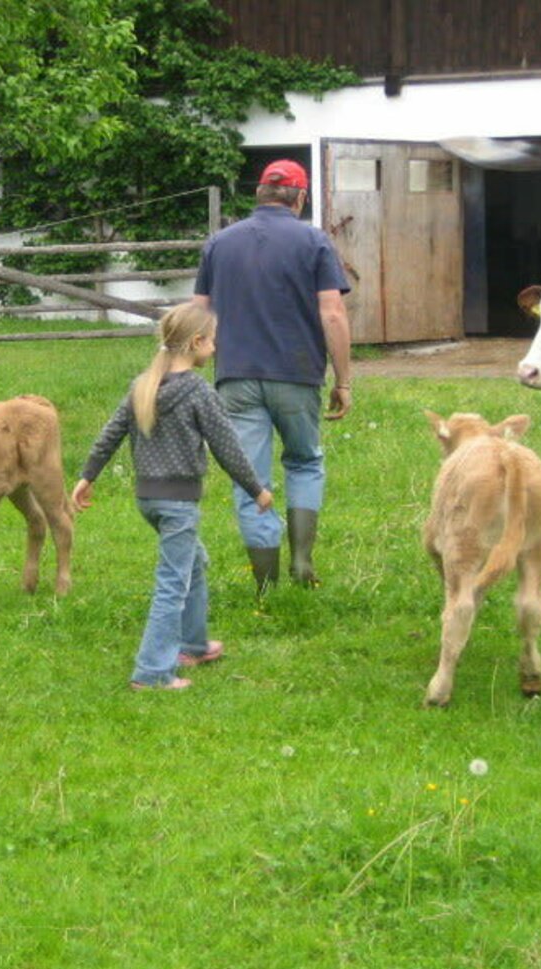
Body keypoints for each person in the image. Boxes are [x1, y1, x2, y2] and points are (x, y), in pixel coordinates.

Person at [73, 303, 274, 691]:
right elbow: (227, 446)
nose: (215, 348)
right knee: (173, 582)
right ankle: (152, 672)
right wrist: (257, 490)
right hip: (178, 503)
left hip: (148, 499)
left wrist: (87, 476)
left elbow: (110, 433)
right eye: (212, 341)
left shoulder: (144, 385)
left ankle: (193, 645)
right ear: (196, 342)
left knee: (194, 561)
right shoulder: (197, 391)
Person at [193, 158, 353, 592]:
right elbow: (332, 313)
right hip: (297, 374)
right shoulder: (314, 241)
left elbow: (200, 314)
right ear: (299, 198)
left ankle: (265, 585)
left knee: (251, 479)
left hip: (236, 376)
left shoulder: (219, 244)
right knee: (303, 462)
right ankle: (303, 560)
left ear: (261, 193)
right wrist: (342, 380)